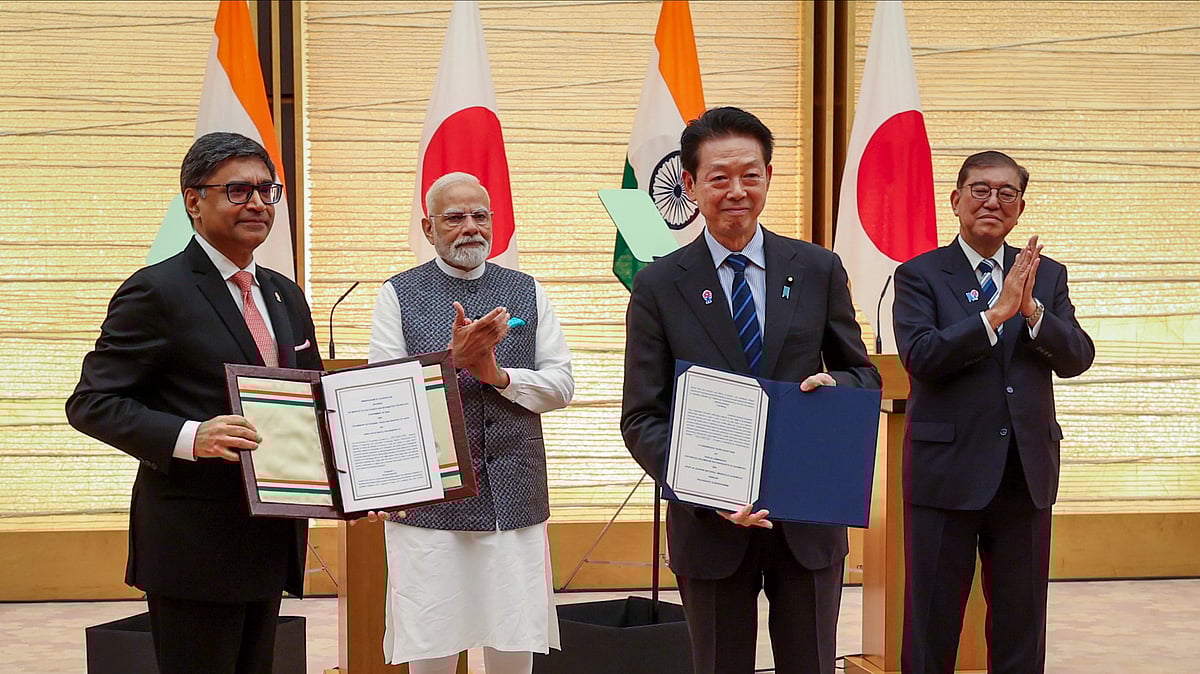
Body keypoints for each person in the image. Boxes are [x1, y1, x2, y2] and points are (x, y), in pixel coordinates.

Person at [621, 106, 880, 674]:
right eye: (718, 177)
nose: (736, 190)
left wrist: (838, 385)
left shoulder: (818, 268)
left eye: (750, 174)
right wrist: (707, 489)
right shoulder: (659, 285)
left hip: (807, 521)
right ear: (689, 184)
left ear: (768, 175)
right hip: (710, 526)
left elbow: (864, 376)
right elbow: (642, 416)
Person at [65, 132, 321, 674]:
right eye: (237, 189)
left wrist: (361, 480)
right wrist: (191, 436)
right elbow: (91, 402)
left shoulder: (284, 294)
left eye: (266, 190)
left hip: (269, 541)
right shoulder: (157, 291)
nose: (256, 202)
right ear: (193, 201)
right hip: (194, 549)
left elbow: (315, 402)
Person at [893, 151, 1095, 673]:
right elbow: (921, 357)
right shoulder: (919, 275)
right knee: (932, 624)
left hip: (1024, 474)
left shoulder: (1046, 277)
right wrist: (994, 314)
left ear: (1020, 208)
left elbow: (1077, 357)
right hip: (946, 474)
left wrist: (1031, 311)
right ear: (956, 201)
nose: (992, 202)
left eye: (1006, 193)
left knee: (1020, 625)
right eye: (979, 190)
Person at [366, 172, 574, 674]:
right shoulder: (399, 294)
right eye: (454, 217)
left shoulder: (526, 291)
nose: (470, 228)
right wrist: (452, 362)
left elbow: (561, 386)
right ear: (428, 226)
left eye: (480, 216)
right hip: (431, 503)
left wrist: (495, 374)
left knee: (512, 640)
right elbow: (383, 398)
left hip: (513, 498)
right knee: (432, 643)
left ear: (494, 224)